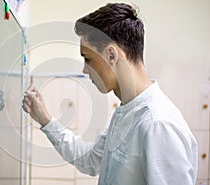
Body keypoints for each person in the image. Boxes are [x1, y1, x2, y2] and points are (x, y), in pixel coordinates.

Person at [23, 3, 198, 185]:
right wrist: (44, 118)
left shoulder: (157, 124)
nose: (85, 69)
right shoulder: (127, 112)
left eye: (87, 58)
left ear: (112, 55)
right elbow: (90, 160)